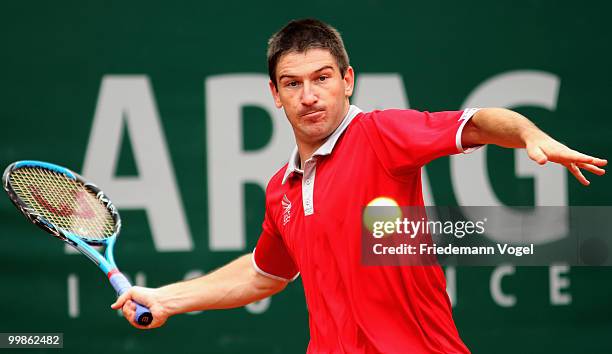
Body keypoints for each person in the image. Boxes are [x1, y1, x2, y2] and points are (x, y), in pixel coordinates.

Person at [112, 18, 607, 353]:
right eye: (293, 83)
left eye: (322, 78)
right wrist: (168, 298)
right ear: (275, 95)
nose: (309, 96)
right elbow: (264, 275)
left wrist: (529, 134)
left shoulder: (380, 134)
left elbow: (476, 123)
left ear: (347, 79)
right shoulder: (281, 191)